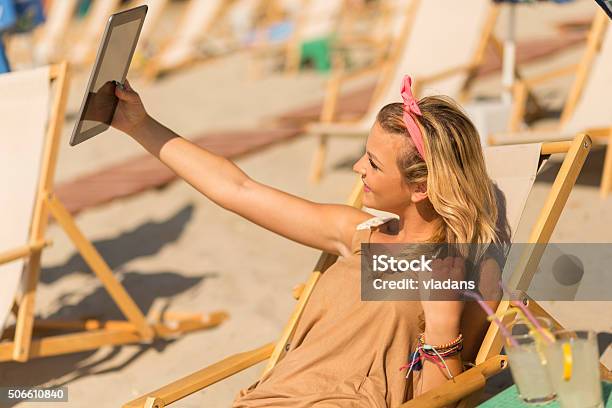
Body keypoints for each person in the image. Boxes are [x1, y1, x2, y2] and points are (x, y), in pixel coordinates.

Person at [111, 75, 507, 407]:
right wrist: (138, 124)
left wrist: (441, 324)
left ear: (419, 187)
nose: (358, 168)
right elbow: (238, 189)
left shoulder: (461, 270)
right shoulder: (357, 233)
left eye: (372, 162)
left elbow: (442, 400)